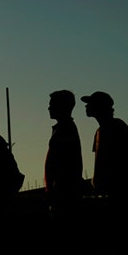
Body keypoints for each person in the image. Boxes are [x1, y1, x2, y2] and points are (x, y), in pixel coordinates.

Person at [81, 91, 128, 209]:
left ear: (99, 107)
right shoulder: (99, 131)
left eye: (90, 103)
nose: (86, 106)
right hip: (111, 190)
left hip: (120, 190)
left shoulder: (116, 126)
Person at [44, 90, 83, 227]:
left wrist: (54, 188)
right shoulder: (62, 128)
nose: (49, 108)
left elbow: (64, 162)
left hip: (64, 191)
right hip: (61, 189)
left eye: (52, 105)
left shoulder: (65, 129)